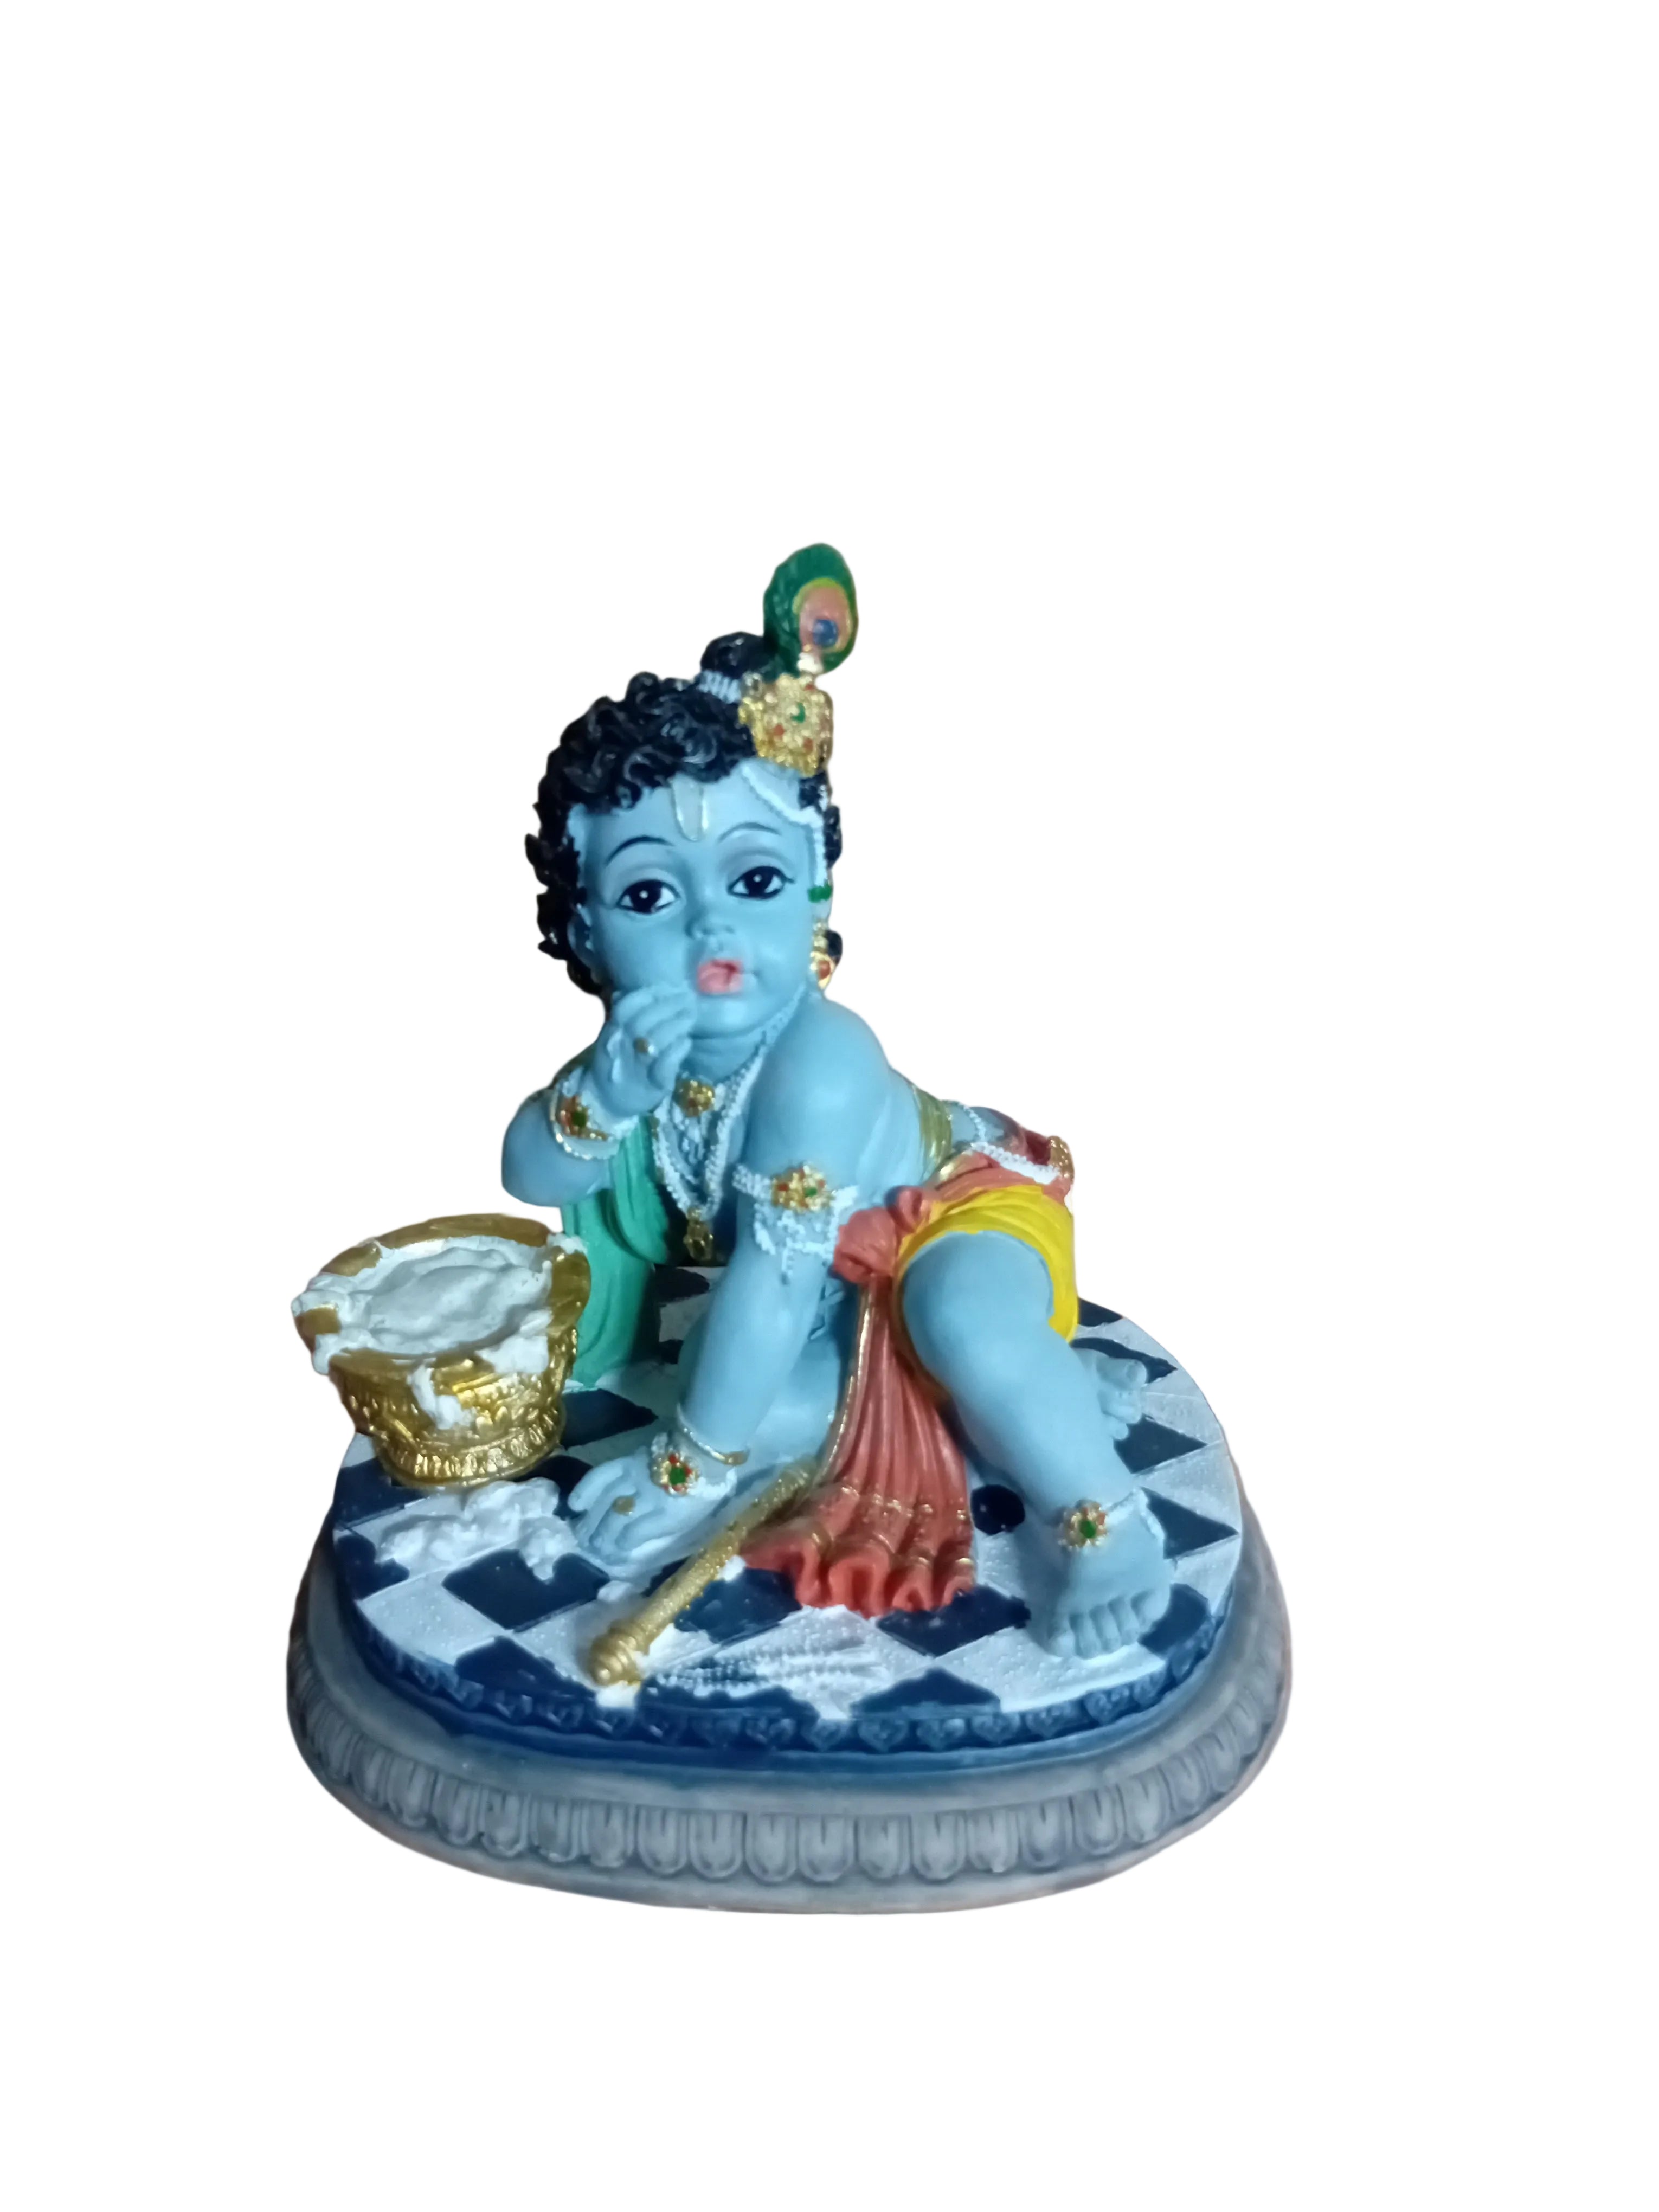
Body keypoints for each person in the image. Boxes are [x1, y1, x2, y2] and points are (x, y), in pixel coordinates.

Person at [501, 549, 1172, 1658]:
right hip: (834, 1298)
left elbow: (772, 1278)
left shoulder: (821, 1058)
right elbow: (532, 1174)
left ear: (815, 893)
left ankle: (1108, 1522)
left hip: (954, 1218)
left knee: (956, 1317)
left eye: (756, 881)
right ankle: (1002, 1401)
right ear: (585, 932)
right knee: (727, 1390)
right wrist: (603, 1096)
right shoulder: (650, 1050)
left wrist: (684, 1472)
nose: (711, 927)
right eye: (650, 893)